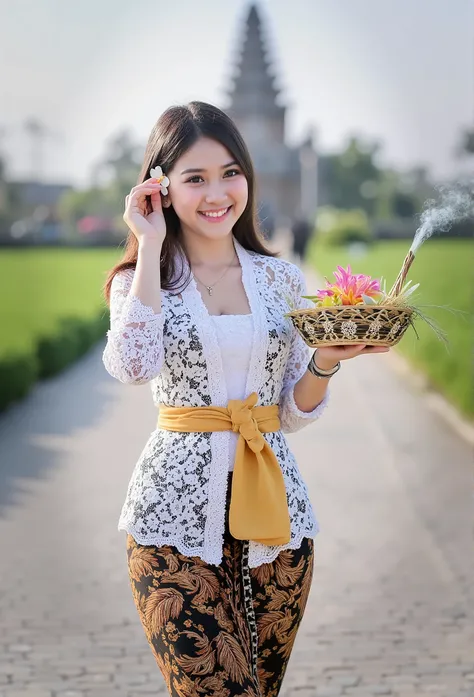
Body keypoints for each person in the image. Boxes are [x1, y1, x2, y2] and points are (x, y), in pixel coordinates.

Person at [102, 101, 390, 697]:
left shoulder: (279, 279)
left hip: (279, 530)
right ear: (159, 188)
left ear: (248, 178)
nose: (217, 193)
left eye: (231, 172)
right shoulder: (143, 280)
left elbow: (290, 410)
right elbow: (132, 367)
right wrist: (150, 245)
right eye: (195, 178)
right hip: (171, 525)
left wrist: (326, 361)